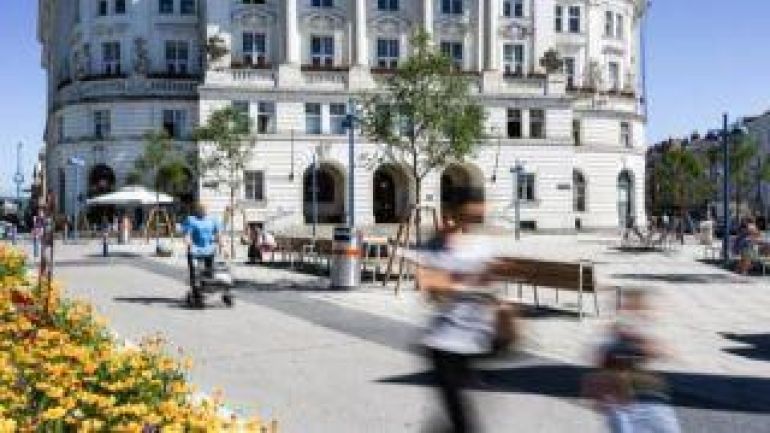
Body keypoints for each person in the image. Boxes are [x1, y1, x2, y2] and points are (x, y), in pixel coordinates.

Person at [414, 186, 500, 433]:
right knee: (460, 418)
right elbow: (430, 290)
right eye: (470, 215)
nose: (473, 221)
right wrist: (467, 284)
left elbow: (490, 287)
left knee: (456, 416)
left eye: (477, 217)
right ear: (455, 211)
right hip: (443, 343)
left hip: (474, 340)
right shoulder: (435, 245)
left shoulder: (481, 245)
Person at [584, 289, 681, 433]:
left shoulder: (640, 339)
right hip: (623, 403)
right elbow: (597, 369)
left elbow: (666, 353)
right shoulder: (611, 340)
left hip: (652, 401)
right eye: (629, 309)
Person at [182, 203, 223, 287]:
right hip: (195, 249)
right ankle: (196, 288)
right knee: (197, 270)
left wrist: (221, 244)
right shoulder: (191, 220)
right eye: (201, 209)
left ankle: (206, 286)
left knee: (209, 270)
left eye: (205, 209)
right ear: (197, 210)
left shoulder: (212, 219)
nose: (203, 211)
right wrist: (187, 242)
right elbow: (187, 234)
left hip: (209, 249)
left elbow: (218, 233)